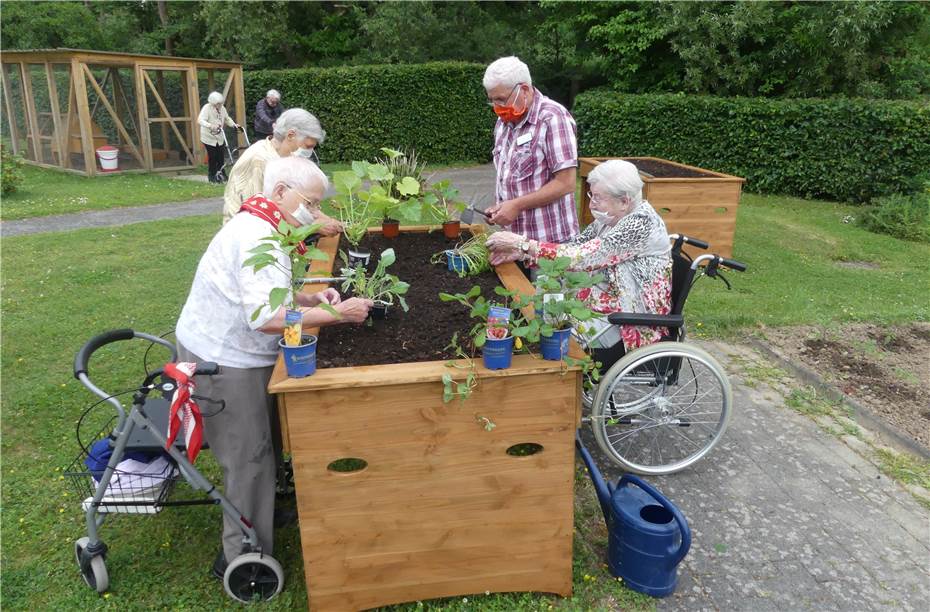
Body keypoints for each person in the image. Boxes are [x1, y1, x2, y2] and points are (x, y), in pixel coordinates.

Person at [175, 156, 373, 580]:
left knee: (264, 444)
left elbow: (267, 296)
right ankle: (240, 555)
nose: (317, 215)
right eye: (312, 203)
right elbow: (264, 318)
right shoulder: (255, 237)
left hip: (234, 349)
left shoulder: (266, 225)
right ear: (280, 192)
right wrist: (339, 316)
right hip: (224, 360)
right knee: (249, 457)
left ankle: (262, 514)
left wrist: (305, 300)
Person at [486, 159, 672, 364]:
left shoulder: (639, 225)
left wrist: (522, 244)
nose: (591, 203)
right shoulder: (610, 219)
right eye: (591, 195)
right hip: (600, 305)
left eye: (598, 198)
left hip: (626, 322)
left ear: (624, 201)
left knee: (547, 338)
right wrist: (523, 255)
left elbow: (580, 258)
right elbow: (574, 248)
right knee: (542, 319)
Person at [483, 56, 579, 245]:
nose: (497, 108)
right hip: (513, 241)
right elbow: (511, 179)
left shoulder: (552, 118)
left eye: (501, 99)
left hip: (549, 243)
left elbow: (566, 183)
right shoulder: (503, 123)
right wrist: (500, 209)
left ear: (524, 90)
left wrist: (517, 205)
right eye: (492, 101)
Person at [222, 108, 336, 228]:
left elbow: (304, 202)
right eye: (308, 146)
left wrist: (328, 220)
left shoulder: (289, 156)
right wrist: (314, 228)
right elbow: (256, 213)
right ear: (290, 135)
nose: (310, 151)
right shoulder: (259, 160)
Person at [198, 91, 240, 183]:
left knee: (220, 156)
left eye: (221, 103)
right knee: (212, 157)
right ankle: (212, 176)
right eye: (218, 104)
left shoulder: (222, 108)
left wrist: (234, 125)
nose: (220, 105)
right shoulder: (206, 108)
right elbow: (200, 120)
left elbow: (227, 118)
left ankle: (222, 173)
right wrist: (210, 125)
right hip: (208, 137)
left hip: (220, 136)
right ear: (213, 103)